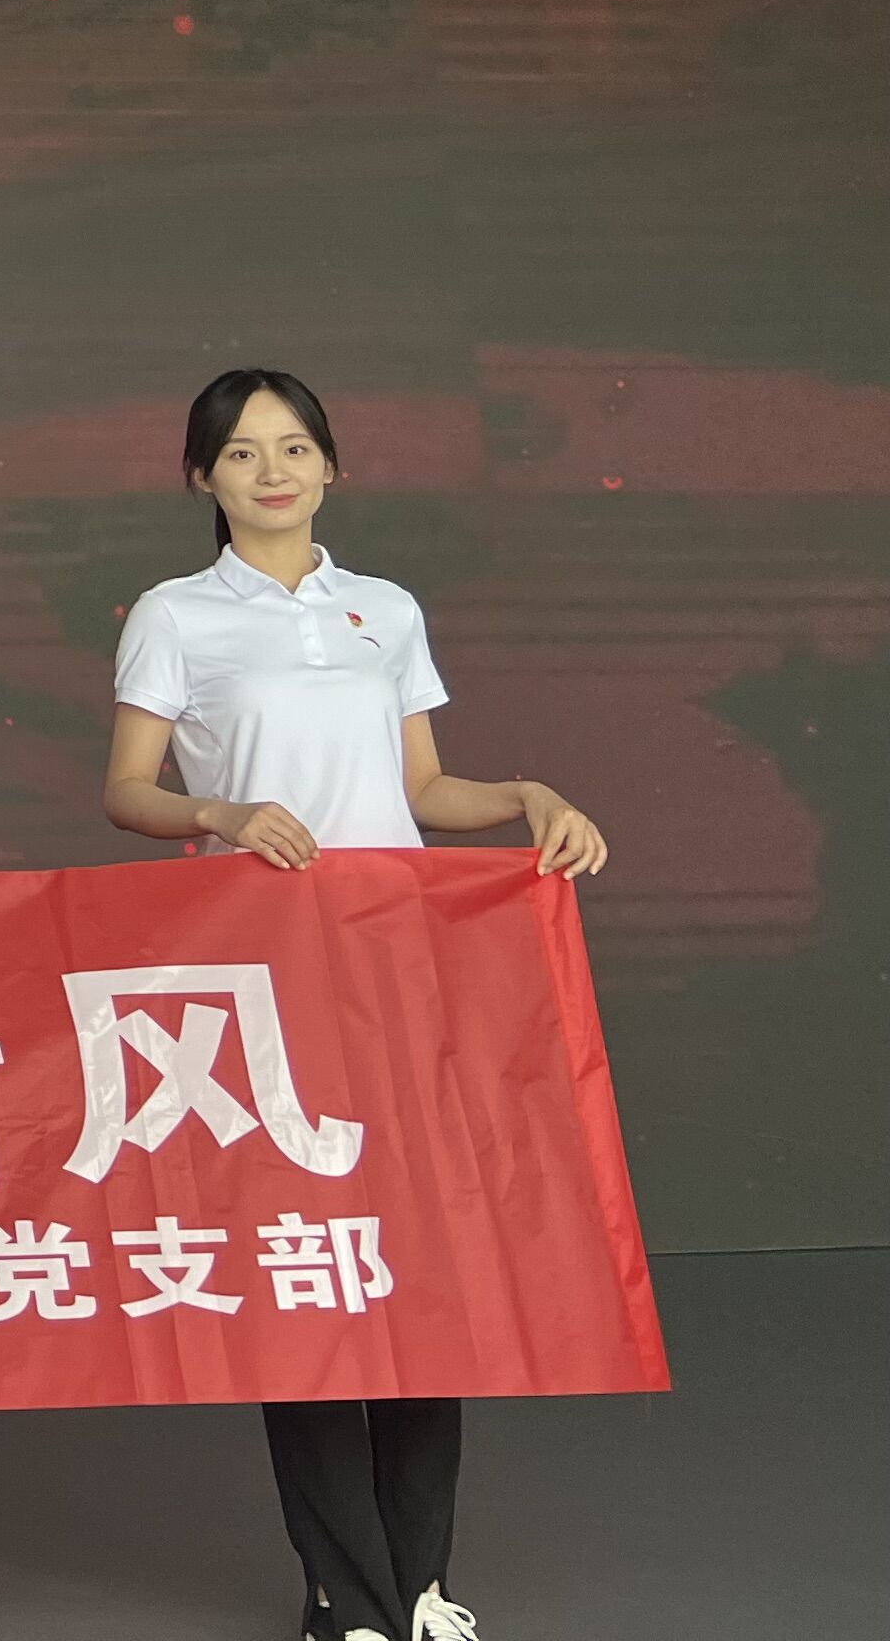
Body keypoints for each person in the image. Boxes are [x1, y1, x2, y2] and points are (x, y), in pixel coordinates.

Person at [103, 368, 606, 1641]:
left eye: (294, 447)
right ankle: (345, 1593)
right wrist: (220, 813)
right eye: (240, 453)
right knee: (308, 1270)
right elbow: (128, 790)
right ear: (201, 478)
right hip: (265, 982)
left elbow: (423, 789)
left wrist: (529, 796)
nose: (271, 471)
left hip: (397, 975)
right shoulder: (175, 615)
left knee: (423, 1268)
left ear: (331, 465)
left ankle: (421, 1581)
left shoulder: (385, 610)